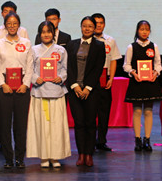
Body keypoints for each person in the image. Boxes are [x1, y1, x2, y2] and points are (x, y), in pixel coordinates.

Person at [0, 11, 34, 169]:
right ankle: (8, 158)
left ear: (19, 25)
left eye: (15, 23)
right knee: (5, 123)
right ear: (5, 26)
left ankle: (20, 158)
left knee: (21, 124)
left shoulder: (26, 43)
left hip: (22, 86)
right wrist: (2, 84)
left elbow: (30, 65)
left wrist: (25, 84)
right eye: (9, 23)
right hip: (5, 86)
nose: (12, 26)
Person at [26, 20, 71, 168]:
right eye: (43, 32)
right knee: (42, 126)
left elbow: (65, 69)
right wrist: (35, 79)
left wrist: (61, 77)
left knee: (56, 126)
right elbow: (29, 69)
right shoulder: (33, 50)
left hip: (56, 91)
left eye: (49, 32)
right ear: (39, 34)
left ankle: (55, 156)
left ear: (53, 34)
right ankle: (44, 156)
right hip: (40, 92)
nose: (46, 35)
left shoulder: (61, 50)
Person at [64, 16, 106, 167]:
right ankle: (81, 154)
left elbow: (98, 69)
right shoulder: (72, 44)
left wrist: (88, 88)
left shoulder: (99, 45)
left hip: (91, 91)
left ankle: (89, 154)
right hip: (74, 90)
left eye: (90, 26)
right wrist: (75, 85)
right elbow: (68, 66)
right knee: (79, 123)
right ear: (81, 27)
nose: (87, 29)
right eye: (84, 26)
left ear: (94, 28)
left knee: (90, 123)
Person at [123, 20, 162, 152]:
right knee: (137, 111)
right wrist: (133, 73)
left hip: (150, 82)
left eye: (147, 29)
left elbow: (158, 64)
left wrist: (155, 73)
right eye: (142, 29)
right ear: (137, 31)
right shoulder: (131, 47)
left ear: (150, 31)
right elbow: (126, 65)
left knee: (148, 111)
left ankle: (147, 139)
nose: (144, 32)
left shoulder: (154, 46)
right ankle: (137, 139)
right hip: (137, 82)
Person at [91, 13, 122, 152]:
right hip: (90, 80)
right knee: (91, 112)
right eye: (96, 23)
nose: (99, 25)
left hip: (105, 79)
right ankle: (90, 141)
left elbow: (114, 59)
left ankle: (102, 141)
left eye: (101, 23)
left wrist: (111, 78)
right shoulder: (86, 40)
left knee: (104, 112)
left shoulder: (110, 40)